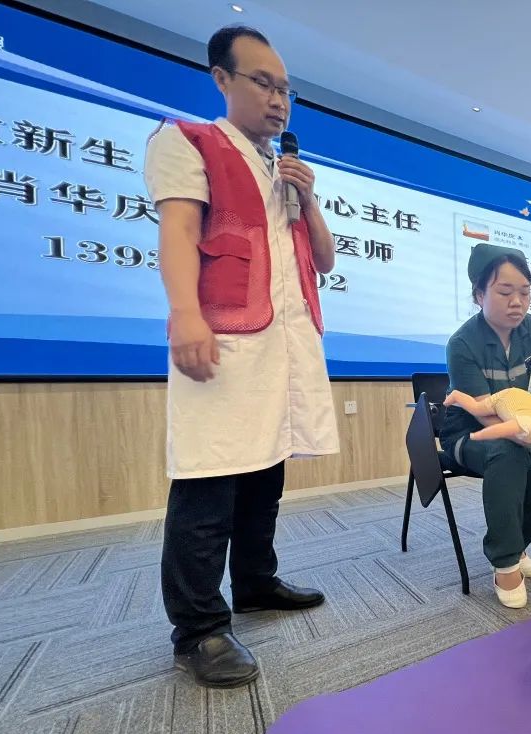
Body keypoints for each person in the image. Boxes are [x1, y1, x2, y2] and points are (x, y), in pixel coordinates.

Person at [144, 25, 339, 688]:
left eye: (285, 89)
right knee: (210, 478)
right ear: (222, 79)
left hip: (282, 345)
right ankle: (198, 628)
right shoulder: (188, 141)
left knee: (264, 470)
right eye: (263, 82)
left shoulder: (282, 170)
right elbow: (179, 231)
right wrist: (186, 314)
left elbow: (323, 260)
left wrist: (308, 198)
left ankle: (255, 581)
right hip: (223, 340)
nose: (278, 99)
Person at [441, 243, 531, 608]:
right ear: (479, 294)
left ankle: (514, 544)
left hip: (527, 431)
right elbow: (486, 416)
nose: (517, 302)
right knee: (506, 452)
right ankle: (506, 563)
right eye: (505, 292)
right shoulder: (462, 343)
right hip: (472, 433)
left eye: (525, 292)